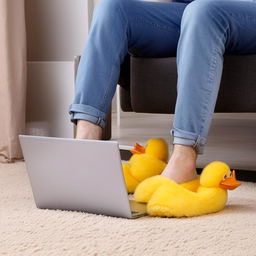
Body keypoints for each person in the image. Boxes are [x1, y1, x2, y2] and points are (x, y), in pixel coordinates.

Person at [69, 0, 256, 184]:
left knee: (203, 10)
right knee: (113, 8)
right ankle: (86, 145)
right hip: (189, 10)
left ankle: (184, 159)